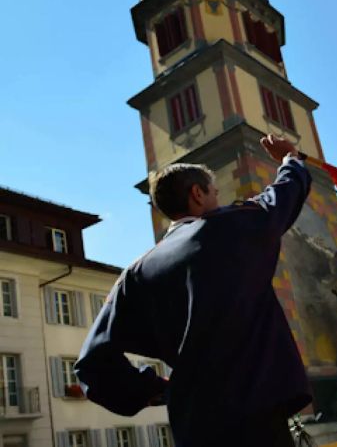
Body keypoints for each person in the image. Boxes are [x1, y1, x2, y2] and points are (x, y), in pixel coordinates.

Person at [75, 136, 313, 447]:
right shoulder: (230, 228)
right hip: (255, 417)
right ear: (197, 194)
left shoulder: (136, 273)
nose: (220, 201)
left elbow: (91, 364)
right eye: (216, 193)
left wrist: (157, 389)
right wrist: (291, 159)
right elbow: (283, 195)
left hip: (193, 427)